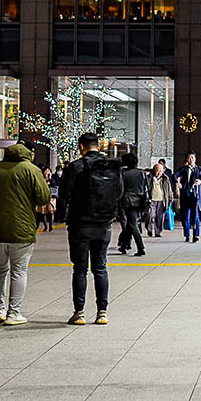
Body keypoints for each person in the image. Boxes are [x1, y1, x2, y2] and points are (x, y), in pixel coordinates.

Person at [0, 143, 50, 325]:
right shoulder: (31, 169)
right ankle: (14, 313)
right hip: (22, 229)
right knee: (19, 270)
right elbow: (43, 197)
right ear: (29, 154)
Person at [58, 133, 123, 324]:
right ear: (98, 147)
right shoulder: (111, 166)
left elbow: (64, 193)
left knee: (80, 269)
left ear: (81, 146)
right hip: (104, 224)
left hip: (80, 224)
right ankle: (102, 312)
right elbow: (118, 192)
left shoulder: (76, 166)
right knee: (100, 267)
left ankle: (79, 313)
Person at [115, 151, 148, 256]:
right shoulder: (142, 173)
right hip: (140, 200)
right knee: (130, 224)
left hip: (128, 201)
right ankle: (124, 245)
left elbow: (120, 189)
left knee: (132, 224)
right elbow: (147, 188)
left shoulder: (123, 173)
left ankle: (140, 247)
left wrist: (117, 202)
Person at [175, 153, 201, 242]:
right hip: (186, 196)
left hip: (195, 196)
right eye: (189, 158)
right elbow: (174, 176)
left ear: (195, 159)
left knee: (195, 216)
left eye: (192, 158)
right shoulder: (183, 169)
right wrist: (177, 182)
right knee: (185, 217)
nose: (191, 160)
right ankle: (187, 235)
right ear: (187, 160)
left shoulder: (199, 169)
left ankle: (195, 235)